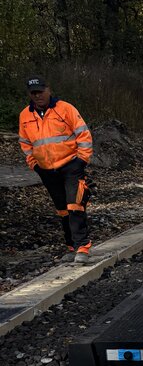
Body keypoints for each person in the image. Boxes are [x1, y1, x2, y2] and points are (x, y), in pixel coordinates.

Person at [18, 75, 94, 264]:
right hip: (46, 169)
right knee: (62, 209)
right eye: (33, 93)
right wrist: (34, 164)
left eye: (40, 92)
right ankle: (71, 246)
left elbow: (83, 133)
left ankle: (82, 247)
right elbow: (25, 143)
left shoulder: (65, 109)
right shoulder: (25, 115)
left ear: (48, 90)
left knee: (75, 204)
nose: (37, 96)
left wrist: (81, 160)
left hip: (70, 165)